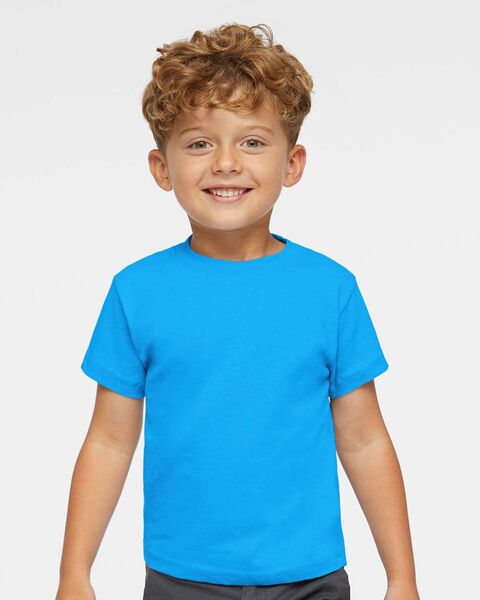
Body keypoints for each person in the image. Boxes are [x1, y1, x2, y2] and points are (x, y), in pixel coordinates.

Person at [56, 22, 420, 600]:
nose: (226, 162)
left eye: (252, 142)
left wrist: (402, 578)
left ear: (292, 163)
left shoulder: (331, 290)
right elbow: (108, 441)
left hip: (310, 581)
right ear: (162, 167)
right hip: (182, 581)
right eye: (199, 143)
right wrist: (74, 574)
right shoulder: (137, 291)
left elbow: (364, 440)